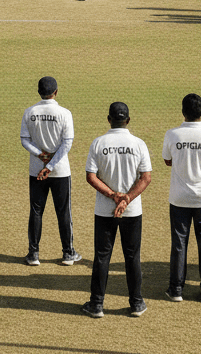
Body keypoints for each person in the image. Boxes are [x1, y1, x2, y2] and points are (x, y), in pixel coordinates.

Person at [83, 101, 152, 319]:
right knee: (132, 257)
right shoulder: (139, 144)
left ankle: (96, 305)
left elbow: (91, 176)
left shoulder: (98, 143)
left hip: (104, 210)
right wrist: (127, 198)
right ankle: (136, 303)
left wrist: (113, 196)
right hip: (131, 211)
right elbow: (146, 177)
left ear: (109, 119)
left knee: (102, 257)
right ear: (128, 120)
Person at [163, 93, 201, 303]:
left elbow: (167, 161)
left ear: (183, 111)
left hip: (179, 198)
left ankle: (176, 289)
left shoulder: (173, 134)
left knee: (179, 244)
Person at [20, 76, 80, 266]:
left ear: (38, 92)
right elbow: (67, 142)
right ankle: (68, 253)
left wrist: (41, 157)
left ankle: (33, 254)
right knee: (63, 212)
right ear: (56, 92)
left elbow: (24, 139)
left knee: (36, 211)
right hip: (60, 170)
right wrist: (52, 164)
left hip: (36, 169)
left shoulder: (29, 112)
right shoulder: (65, 113)